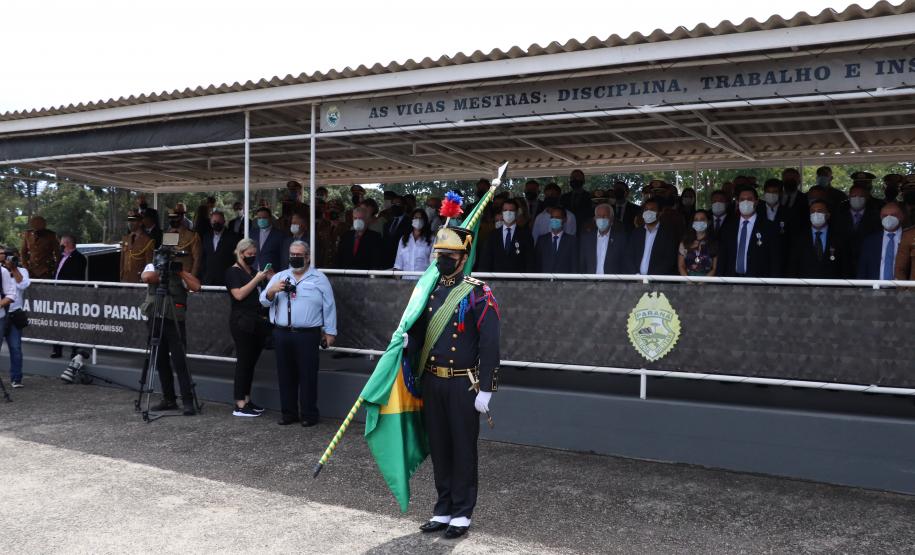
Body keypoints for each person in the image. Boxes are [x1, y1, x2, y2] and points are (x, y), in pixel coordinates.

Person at [409, 224, 500, 539]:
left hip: (464, 385)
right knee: (440, 447)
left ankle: (462, 512)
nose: (443, 259)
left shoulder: (477, 292)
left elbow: (490, 343)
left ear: (464, 257)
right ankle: (443, 507)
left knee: (463, 449)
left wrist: (487, 388)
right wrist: (404, 341)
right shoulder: (430, 290)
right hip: (433, 381)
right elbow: (419, 333)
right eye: (440, 254)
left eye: (450, 254)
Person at [260, 241, 337, 426]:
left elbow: (329, 306)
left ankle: (309, 415)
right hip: (282, 333)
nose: (294, 258)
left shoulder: (319, 278)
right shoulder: (280, 276)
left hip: (307, 334)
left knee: (308, 375)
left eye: (298, 255)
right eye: (292, 254)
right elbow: (263, 301)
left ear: (307, 257)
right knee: (285, 375)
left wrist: (330, 332)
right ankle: (289, 414)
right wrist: (272, 290)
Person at [140, 251, 202, 415]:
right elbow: (146, 277)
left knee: (180, 361)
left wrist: (179, 272)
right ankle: (169, 399)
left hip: (174, 321)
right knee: (160, 360)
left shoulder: (179, 270)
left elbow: (196, 286)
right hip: (156, 318)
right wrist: (163, 273)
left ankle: (188, 401)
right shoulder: (152, 266)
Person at [225, 238, 273, 417]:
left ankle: (246, 398)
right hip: (241, 322)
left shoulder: (254, 271)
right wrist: (256, 279)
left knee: (251, 363)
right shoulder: (232, 272)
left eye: (254, 254)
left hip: (256, 321)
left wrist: (267, 277)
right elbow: (238, 294)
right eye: (249, 254)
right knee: (243, 362)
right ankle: (239, 403)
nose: (252, 257)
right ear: (241, 253)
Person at [717, 187, 781, 278]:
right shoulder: (728, 227)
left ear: (756, 201)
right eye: (742, 199)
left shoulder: (769, 227)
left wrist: (773, 286)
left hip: (758, 283)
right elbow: (722, 258)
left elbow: (775, 260)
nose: (745, 202)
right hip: (731, 281)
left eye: (749, 199)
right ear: (738, 202)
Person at [788, 199, 853, 279]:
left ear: (828, 215)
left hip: (833, 288)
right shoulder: (799, 238)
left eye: (820, 211)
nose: (816, 214)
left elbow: (845, 268)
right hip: (805, 288)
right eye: (812, 211)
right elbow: (793, 268)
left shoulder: (839, 238)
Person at [478, 199, 535, 273]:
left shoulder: (526, 235)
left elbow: (530, 262)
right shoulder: (492, 236)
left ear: (517, 213)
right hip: (495, 281)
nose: (508, 213)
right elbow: (485, 262)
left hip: (519, 282)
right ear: (501, 212)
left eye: (511, 210)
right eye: (505, 210)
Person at [624, 198, 679, 275]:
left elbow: (669, 260)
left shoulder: (668, 234)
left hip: (657, 283)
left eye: (652, 209)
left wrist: (651, 278)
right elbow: (628, 256)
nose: (648, 212)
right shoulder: (637, 233)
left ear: (660, 213)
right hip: (637, 281)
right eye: (646, 209)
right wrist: (636, 275)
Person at [835, 182, 881, 268]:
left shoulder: (876, 217)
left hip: (867, 262)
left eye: (861, 196)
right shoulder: (839, 216)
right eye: (853, 196)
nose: (857, 199)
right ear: (849, 197)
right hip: (843, 263)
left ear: (867, 197)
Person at [858, 202, 905, 280]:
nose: (888, 218)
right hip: (875, 288)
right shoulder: (870, 241)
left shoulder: (909, 238)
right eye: (884, 216)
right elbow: (862, 268)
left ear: (902, 216)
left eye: (893, 215)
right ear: (880, 217)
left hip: (904, 289)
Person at [579, 203, 627, 274]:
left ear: (611, 219)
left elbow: (625, 263)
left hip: (612, 283)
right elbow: (582, 264)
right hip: (590, 283)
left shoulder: (620, 239)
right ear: (595, 219)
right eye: (598, 216)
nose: (601, 219)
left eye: (605, 216)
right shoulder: (586, 239)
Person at [199, 210, 240, 286]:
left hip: (226, 279)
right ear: (210, 222)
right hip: (208, 279)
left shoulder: (232, 237)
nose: (216, 223)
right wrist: (203, 273)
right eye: (214, 221)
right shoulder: (206, 236)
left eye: (219, 221)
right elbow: (203, 256)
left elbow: (237, 258)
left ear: (224, 221)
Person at [0, 249, 22, 386]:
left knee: (15, 347)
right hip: (4, 313)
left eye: (5, 253)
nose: (3, 256)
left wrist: (13, 268)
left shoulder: (16, 271)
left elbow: (21, 283)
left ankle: (16, 378)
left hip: (13, 314)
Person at [534, 207, 579, 273]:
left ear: (564, 219)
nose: (554, 220)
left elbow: (574, 266)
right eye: (552, 217)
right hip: (544, 281)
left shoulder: (572, 241)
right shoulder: (542, 240)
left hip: (563, 282)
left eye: (557, 217)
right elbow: (537, 264)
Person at [393, 209, 433, 279]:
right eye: (416, 218)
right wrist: (398, 284)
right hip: (406, 282)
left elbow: (433, 264)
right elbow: (398, 265)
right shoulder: (404, 239)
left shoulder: (431, 239)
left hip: (423, 282)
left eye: (421, 218)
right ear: (411, 220)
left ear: (425, 221)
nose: (418, 220)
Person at [678, 210, 718, 277]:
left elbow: (714, 268)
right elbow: (681, 266)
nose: (699, 222)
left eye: (702, 219)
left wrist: (702, 283)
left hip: (707, 283)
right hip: (687, 283)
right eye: (696, 220)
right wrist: (689, 282)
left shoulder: (714, 243)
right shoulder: (684, 243)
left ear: (709, 222)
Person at [165, 207, 202, 277]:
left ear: (181, 217)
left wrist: (192, 278)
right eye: (170, 218)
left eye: (175, 218)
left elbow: (197, 260)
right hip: (171, 276)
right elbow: (166, 255)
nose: (172, 220)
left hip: (186, 275)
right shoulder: (169, 234)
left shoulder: (192, 236)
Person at [120, 210, 155, 283]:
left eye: (133, 220)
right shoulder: (126, 239)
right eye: (129, 220)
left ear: (140, 223)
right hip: (125, 279)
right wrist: (121, 275)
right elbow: (122, 260)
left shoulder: (147, 241)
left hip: (139, 280)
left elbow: (149, 264)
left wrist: (146, 279)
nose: (130, 223)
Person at [250, 206, 284, 271]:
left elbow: (282, 256)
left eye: (264, 218)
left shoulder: (279, 235)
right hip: (253, 272)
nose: (261, 220)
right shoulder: (252, 233)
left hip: (271, 273)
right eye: (259, 218)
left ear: (270, 218)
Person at [382, 195, 411, 267]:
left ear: (404, 206)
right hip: (387, 261)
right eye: (393, 204)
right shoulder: (387, 224)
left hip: (402, 261)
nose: (394, 206)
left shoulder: (410, 222)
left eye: (398, 204)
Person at [561, 169, 592, 234]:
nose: (574, 179)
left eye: (577, 176)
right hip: (567, 231)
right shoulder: (564, 197)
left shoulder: (590, 197)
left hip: (584, 231)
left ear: (583, 181)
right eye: (572, 177)